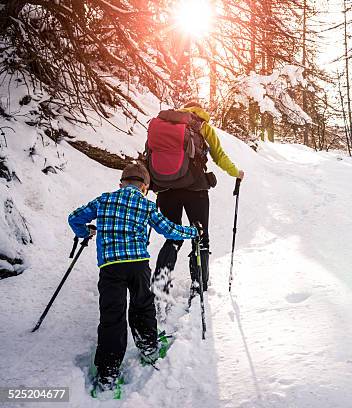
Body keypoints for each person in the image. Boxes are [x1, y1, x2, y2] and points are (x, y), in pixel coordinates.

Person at [68, 163, 199, 394]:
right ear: (145, 187)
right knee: (142, 306)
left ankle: (107, 375)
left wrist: (85, 231)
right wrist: (193, 231)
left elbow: (74, 218)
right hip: (138, 265)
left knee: (112, 317)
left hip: (110, 268)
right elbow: (169, 230)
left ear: (121, 183)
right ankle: (149, 348)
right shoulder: (146, 204)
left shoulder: (104, 200)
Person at [152, 101, 244, 309]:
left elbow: (150, 154)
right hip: (195, 188)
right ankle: (199, 283)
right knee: (200, 236)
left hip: (166, 189)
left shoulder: (164, 123)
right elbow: (219, 156)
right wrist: (236, 172)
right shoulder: (202, 126)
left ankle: (161, 281)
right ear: (198, 111)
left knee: (173, 236)